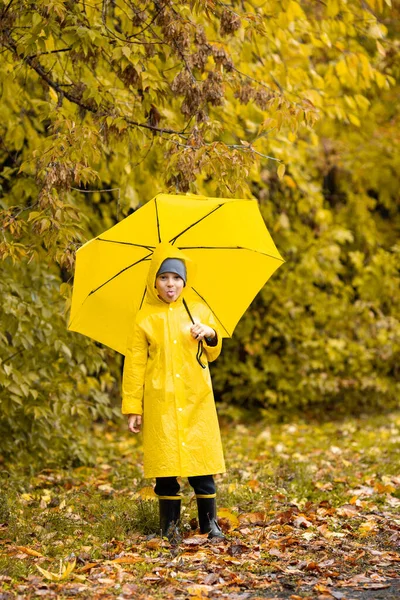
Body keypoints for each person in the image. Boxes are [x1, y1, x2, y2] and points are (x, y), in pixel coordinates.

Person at [122, 242, 226, 542]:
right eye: (164, 277)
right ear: (155, 281)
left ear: (184, 281)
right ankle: (170, 528)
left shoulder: (198, 311)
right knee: (166, 469)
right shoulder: (144, 317)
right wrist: (133, 406)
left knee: (201, 465)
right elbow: (135, 364)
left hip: (196, 399)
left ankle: (209, 524)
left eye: (176, 278)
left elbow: (213, 352)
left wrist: (210, 334)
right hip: (161, 401)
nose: (171, 284)